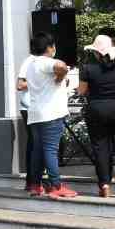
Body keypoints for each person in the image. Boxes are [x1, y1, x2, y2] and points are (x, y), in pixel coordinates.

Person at [78, 35, 115, 198]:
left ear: (96, 52)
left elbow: (82, 91)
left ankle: (105, 185)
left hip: (96, 110)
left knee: (100, 147)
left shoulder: (87, 68)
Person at [25, 32, 78, 199]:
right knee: (50, 150)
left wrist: (58, 79)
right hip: (51, 114)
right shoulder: (46, 62)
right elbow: (61, 66)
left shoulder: (31, 64)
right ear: (49, 47)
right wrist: (60, 77)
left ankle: (35, 185)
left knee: (37, 151)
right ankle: (56, 185)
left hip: (35, 113)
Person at [16, 50, 41, 194]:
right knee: (34, 143)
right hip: (29, 108)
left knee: (38, 143)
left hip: (41, 108)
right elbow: (20, 85)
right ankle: (32, 181)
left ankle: (35, 179)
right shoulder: (29, 62)